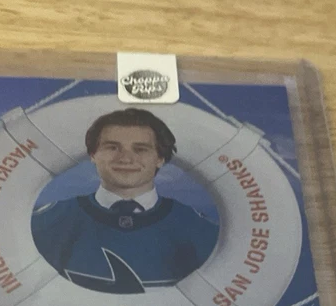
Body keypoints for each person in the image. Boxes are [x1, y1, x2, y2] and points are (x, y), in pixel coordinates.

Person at [31, 108, 218, 294]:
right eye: (112, 147)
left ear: (160, 158)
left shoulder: (200, 230)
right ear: (93, 154)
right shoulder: (49, 222)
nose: (126, 158)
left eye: (140, 149)